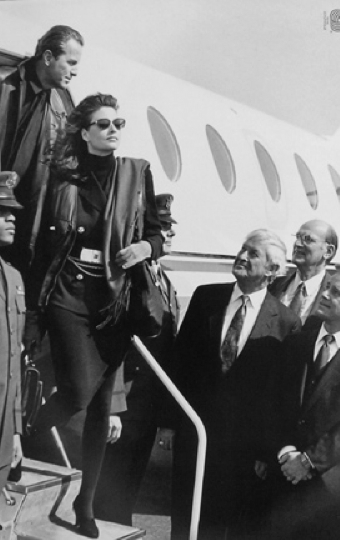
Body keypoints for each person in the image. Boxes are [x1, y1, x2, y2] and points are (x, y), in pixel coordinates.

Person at [23, 93, 163, 537]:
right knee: (78, 393)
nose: (113, 130)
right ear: (84, 132)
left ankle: (85, 504)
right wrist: (34, 312)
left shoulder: (136, 173)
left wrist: (144, 248)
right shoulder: (62, 178)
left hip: (114, 299)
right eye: (103, 124)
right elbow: (42, 243)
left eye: (118, 123)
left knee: (102, 407)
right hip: (69, 292)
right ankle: (22, 435)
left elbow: (157, 234)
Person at [158, 229, 301, 539]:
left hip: (242, 447)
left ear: (272, 270)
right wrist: (168, 423)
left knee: (229, 522)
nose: (242, 256)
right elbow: (180, 362)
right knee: (186, 515)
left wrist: (266, 452)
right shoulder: (206, 298)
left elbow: (281, 395)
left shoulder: (286, 322)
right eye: (242, 249)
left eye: (253, 254)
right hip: (195, 432)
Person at [94, 193, 180, 526]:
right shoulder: (128, 278)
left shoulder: (162, 278)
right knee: (109, 485)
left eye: (170, 227)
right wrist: (112, 406)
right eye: (164, 227)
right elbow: (112, 341)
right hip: (124, 403)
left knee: (130, 482)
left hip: (146, 407)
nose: (170, 233)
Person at [266, 270, 340, 539]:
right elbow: (275, 401)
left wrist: (308, 461)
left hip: (329, 483)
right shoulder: (298, 342)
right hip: (283, 470)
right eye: (326, 287)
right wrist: (284, 451)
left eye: (336, 293)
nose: (324, 295)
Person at [0, 25, 83, 273]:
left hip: (29, 217)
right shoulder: (6, 85)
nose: (75, 72)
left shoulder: (63, 103)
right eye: (70, 63)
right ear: (48, 57)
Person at [0, 172, 24, 491]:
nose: (12, 218)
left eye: (12, 212)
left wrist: (15, 431)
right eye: (2, 212)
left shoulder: (14, 278)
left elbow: (14, 363)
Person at [269, 219, 336, 325]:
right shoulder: (273, 286)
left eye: (308, 239)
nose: (298, 244)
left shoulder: (335, 295)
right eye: (297, 237)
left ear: (328, 251)